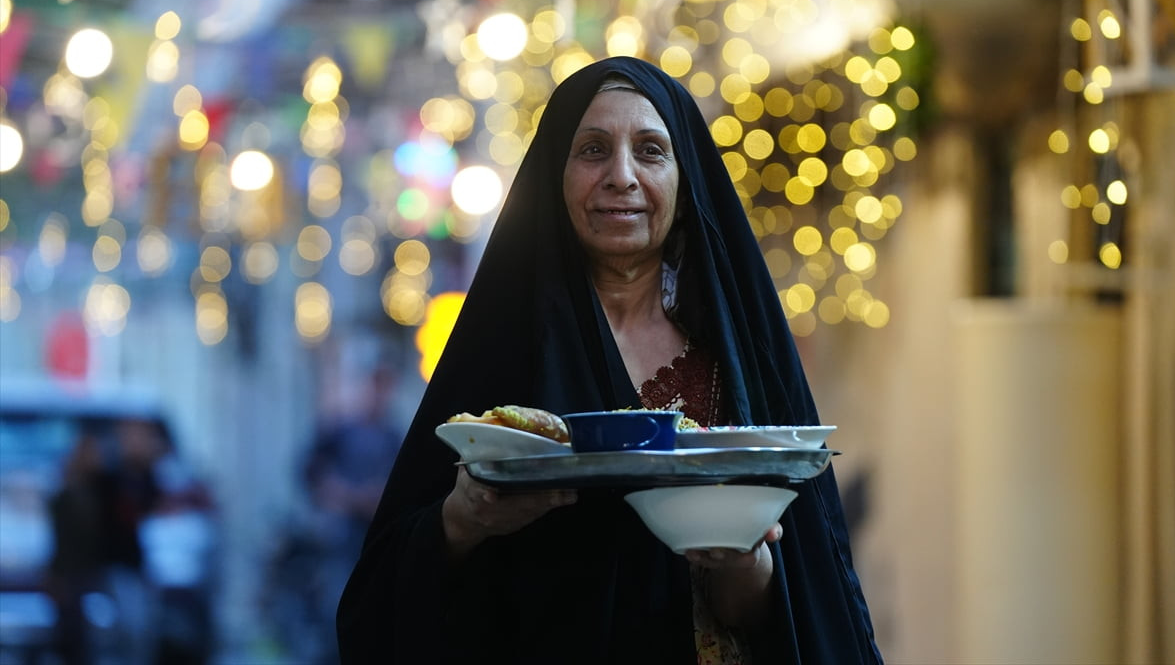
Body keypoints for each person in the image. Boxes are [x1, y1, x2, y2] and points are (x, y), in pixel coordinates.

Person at [336, 56, 882, 664]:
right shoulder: (500, 362)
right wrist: (463, 520)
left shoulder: (735, 364)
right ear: (555, 176)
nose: (621, 175)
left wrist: (743, 559)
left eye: (650, 150)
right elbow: (378, 607)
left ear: (684, 179)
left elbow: (783, 614)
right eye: (593, 149)